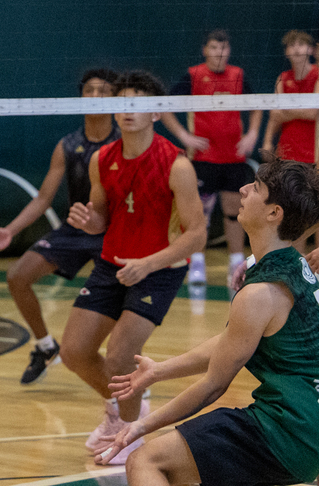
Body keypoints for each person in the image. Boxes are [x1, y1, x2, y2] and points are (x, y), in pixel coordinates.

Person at [93, 159, 319, 485]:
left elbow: (214, 385)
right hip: (307, 429)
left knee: (147, 461)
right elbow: (234, 342)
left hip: (286, 432)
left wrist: (141, 425)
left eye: (255, 188)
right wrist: (160, 371)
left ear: (274, 213)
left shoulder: (258, 293)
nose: (242, 190)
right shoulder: (295, 265)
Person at [61, 70, 207, 465]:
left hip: (160, 266)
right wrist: (88, 221)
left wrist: (148, 264)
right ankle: (123, 408)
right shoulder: (100, 159)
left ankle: (130, 435)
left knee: (121, 355)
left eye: (138, 104)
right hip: (114, 263)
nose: (128, 111)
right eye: (122, 103)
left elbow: (197, 235)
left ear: (156, 113)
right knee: (74, 351)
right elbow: (101, 219)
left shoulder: (176, 164)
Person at [0, 69, 121, 383]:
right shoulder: (68, 145)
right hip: (75, 229)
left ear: (114, 99)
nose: (96, 97)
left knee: (116, 304)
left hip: (113, 233)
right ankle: (45, 345)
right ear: (80, 97)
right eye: (90, 90)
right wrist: (10, 230)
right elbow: (44, 197)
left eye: (104, 91)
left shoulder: (122, 143)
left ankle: (118, 369)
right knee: (17, 276)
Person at [160, 29, 262, 289]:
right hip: (203, 158)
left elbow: (258, 104)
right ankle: (196, 264)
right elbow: (165, 107)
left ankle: (236, 264)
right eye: (215, 48)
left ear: (229, 51)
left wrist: (252, 134)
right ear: (205, 50)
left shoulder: (238, 75)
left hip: (233, 157)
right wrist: (184, 135)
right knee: (200, 215)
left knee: (234, 212)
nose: (219, 52)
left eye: (224, 48)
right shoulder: (194, 75)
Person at [261, 30, 317, 167]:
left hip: (313, 152)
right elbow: (274, 115)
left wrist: (285, 112)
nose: (297, 48)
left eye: (301, 44)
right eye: (292, 45)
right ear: (286, 52)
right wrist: (267, 142)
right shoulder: (283, 78)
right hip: (287, 151)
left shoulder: (317, 75)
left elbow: (313, 112)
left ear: (311, 49)